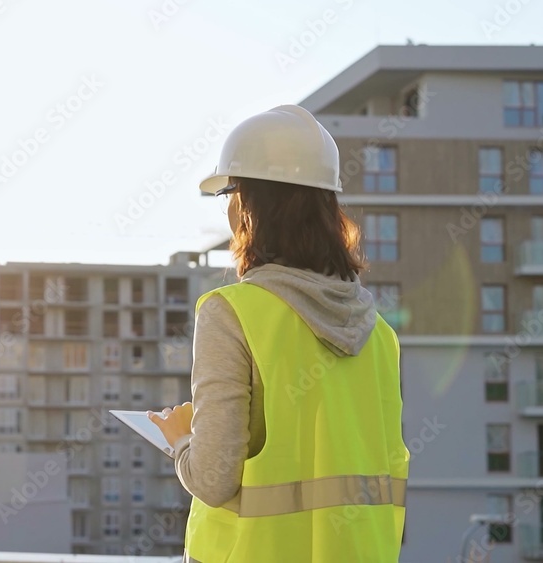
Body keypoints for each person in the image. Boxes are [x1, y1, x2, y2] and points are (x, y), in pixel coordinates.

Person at [148, 104, 409, 562]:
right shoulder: (380, 335)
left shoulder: (230, 313)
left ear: (247, 205)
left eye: (231, 191)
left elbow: (212, 478)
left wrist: (181, 439)